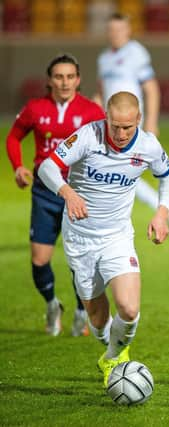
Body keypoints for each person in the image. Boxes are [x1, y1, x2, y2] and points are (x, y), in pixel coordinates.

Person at [37, 91, 169, 386]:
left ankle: (113, 360)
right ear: (106, 119)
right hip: (80, 240)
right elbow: (47, 166)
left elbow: (168, 175)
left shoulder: (148, 145)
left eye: (128, 127)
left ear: (138, 120)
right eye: (115, 126)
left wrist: (161, 212)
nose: (122, 133)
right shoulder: (88, 137)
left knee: (129, 307)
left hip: (117, 237)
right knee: (99, 321)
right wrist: (68, 192)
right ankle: (109, 349)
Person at [5, 53, 105, 336]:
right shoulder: (35, 108)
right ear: (49, 80)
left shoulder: (92, 112)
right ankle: (52, 305)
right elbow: (14, 137)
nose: (65, 82)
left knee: (82, 259)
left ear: (78, 79)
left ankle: (81, 311)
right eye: (59, 77)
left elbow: (106, 149)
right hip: (45, 192)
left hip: (78, 193)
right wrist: (18, 167)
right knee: (39, 259)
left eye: (70, 76)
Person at [94, 13, 169, 227]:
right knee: (119, 169)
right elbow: (100, 93)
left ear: (128, 30)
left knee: (120, 169)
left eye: (120, 30)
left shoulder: (136, 53)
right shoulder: (103, 58)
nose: (115, 34)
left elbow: (151, 89)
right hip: (110, 122)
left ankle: (162, 209)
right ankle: (165, 209)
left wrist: (151, 121)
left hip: (130, 122)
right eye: (112, 30)